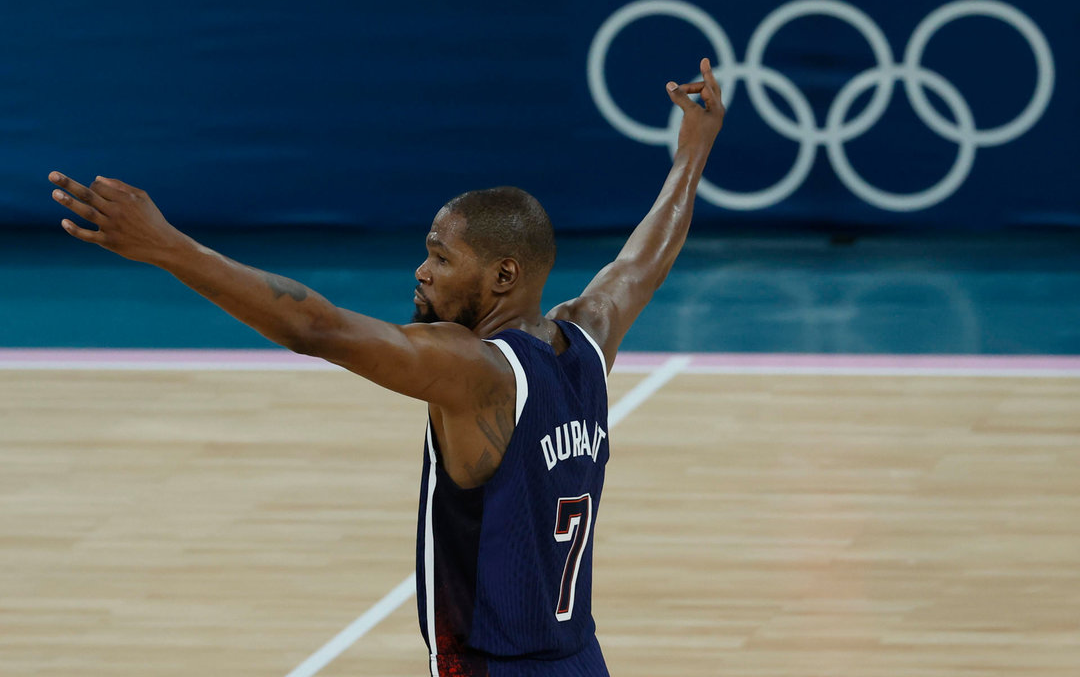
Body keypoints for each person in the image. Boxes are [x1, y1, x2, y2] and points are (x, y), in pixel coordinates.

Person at [48, 57, 725, 676]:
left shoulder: (478, 372)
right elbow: (642, 263)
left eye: (440, 256)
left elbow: (317, 328)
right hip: (582, 660)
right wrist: (692, 153)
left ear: (502, 276)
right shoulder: (586, 344)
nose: (421, 271)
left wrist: (169, 247)